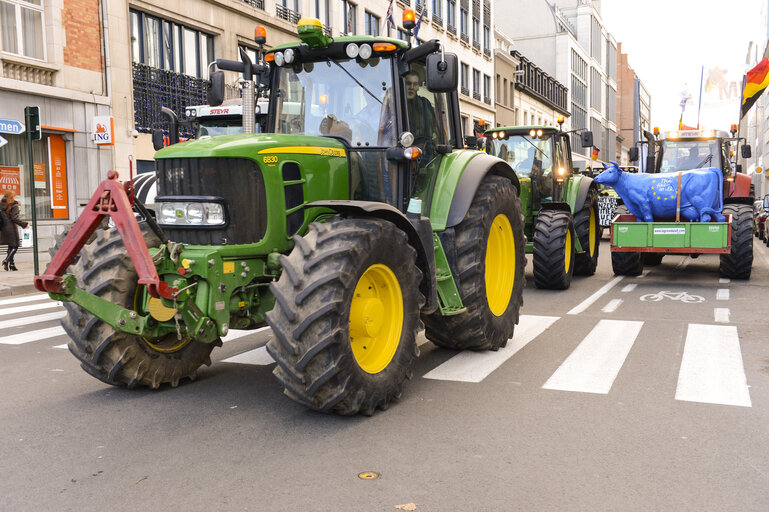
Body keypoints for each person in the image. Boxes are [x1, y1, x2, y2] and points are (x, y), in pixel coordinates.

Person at [404, 71, 436, 150]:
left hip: (423, 150)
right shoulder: (395, 104)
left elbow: (434, 128)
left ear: (418, 87)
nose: (411, 87)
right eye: (408, 83)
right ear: (403, 85)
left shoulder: (425, 104)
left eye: (415, 84)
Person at [0, 190, 29, 271]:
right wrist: (24, 224)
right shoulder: (14, 204)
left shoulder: (1, 204)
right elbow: (14, 218)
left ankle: (12, 265)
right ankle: (6, 260)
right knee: (15, 246)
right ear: (12, 197)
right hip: (11, 228)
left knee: (11, 246)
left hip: (3, 228)